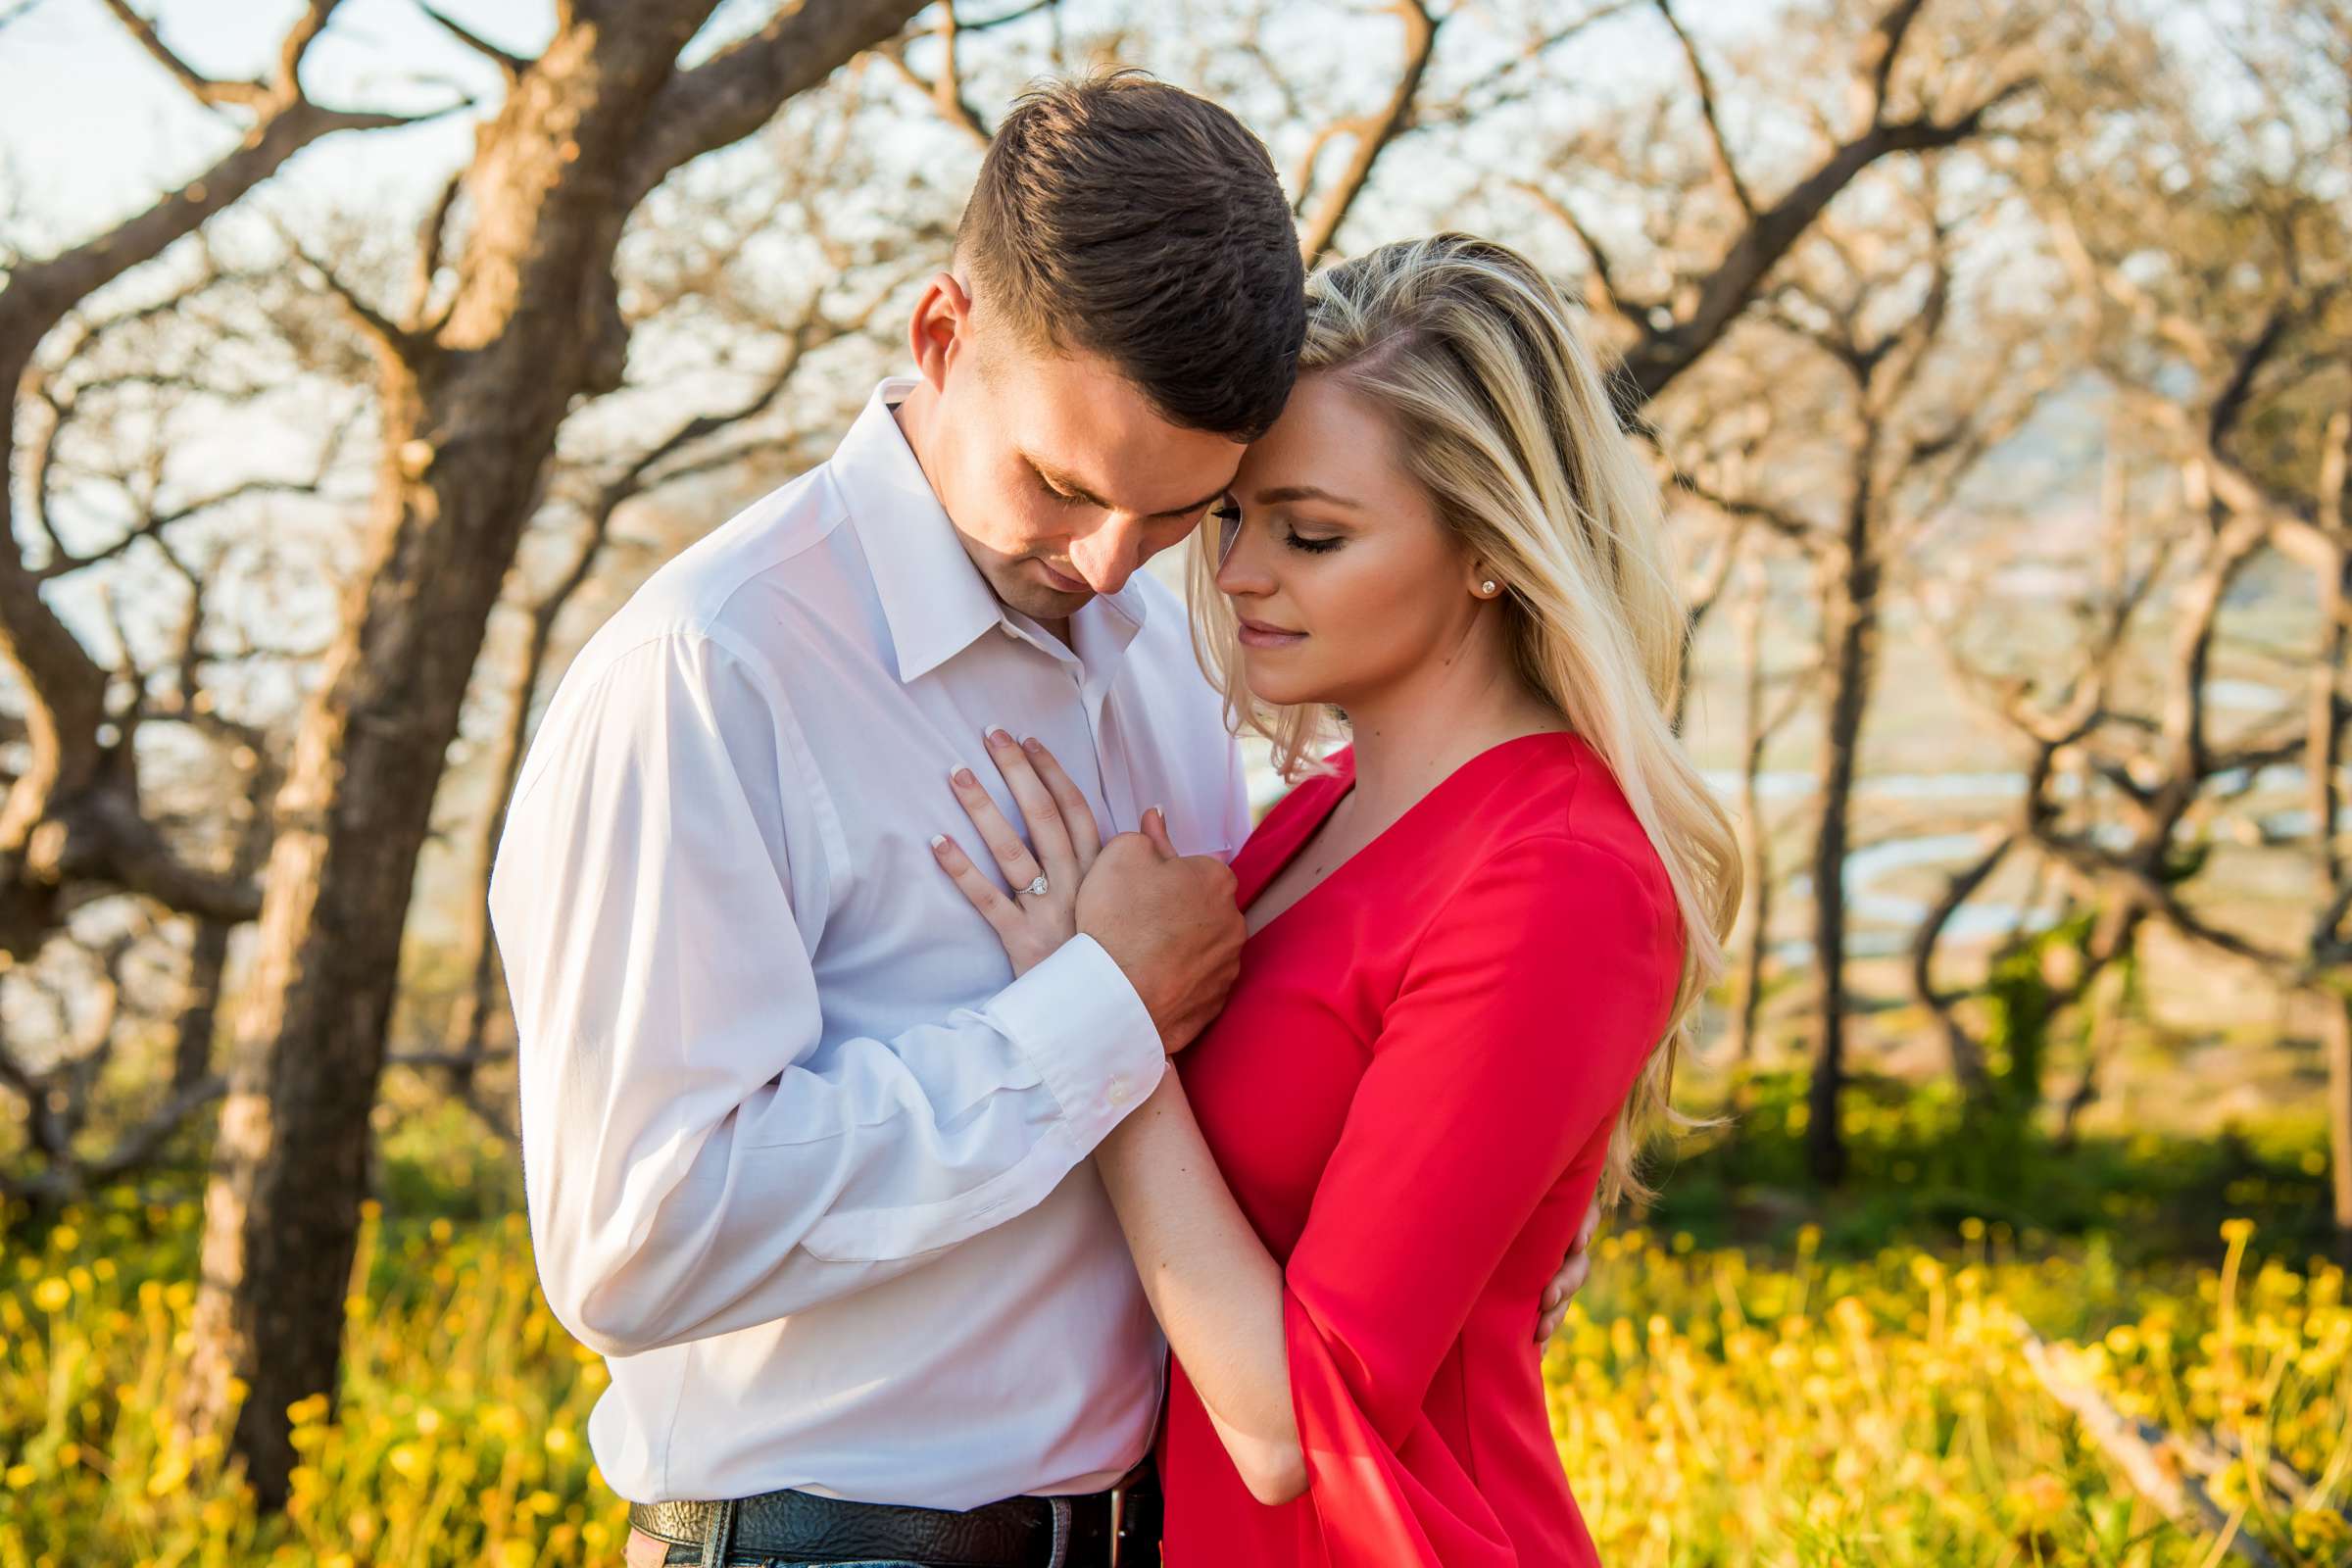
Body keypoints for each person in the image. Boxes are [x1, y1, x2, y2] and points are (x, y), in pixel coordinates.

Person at [489, 75, 1592, 1568]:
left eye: (1182, 514)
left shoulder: (1163, 659)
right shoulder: (711, 673)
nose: (1112, 566)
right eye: (1066, 488)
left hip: (1147, 1533)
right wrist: (1091, 1020)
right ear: (944, 337)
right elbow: (639, 1236)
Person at [932, 233, 1742, 1567]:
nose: (1240, 571)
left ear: (1491, 549)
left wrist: (1091, 1019)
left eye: (1313, 533)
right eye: (1238, 517)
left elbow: (1294, 1429)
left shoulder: (1560, 875)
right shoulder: (1314, 815)